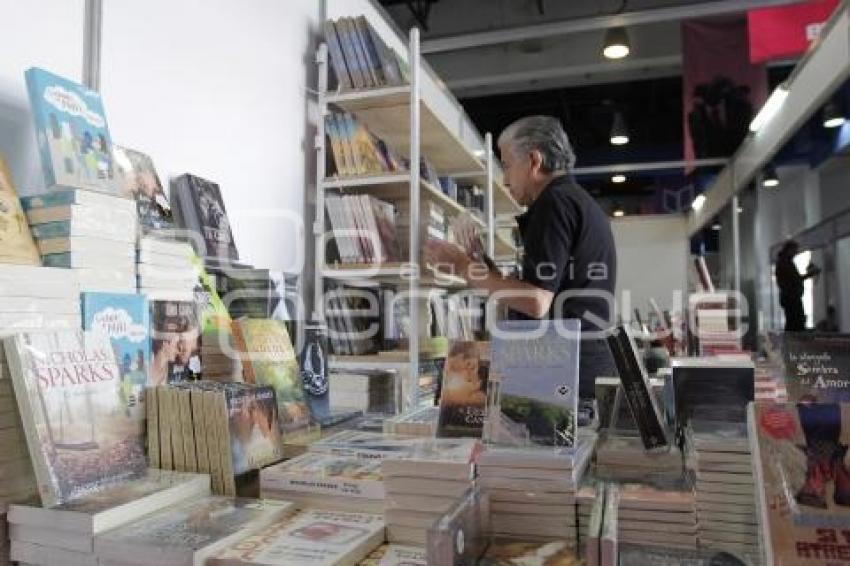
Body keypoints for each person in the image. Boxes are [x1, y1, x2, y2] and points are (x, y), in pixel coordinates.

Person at [424, 115, 618, 398]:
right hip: (578, 365)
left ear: (534, 160)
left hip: (567, 372)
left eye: (506, 165)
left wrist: (463, 266)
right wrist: (481, 264)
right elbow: (544, 287)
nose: (504, 179)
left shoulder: (554, 203)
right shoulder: (574, 200)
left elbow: (536, 301)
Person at [775, 240, 819, 332]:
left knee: (794, 322)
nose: (796, 252)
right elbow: (794, 280)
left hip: (790, 297)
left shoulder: (783, 261)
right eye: (795, 250)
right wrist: (809, 275)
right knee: (795, 323)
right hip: (791, 298)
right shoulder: (785, 262)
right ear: (789, 250)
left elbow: (793, 279)